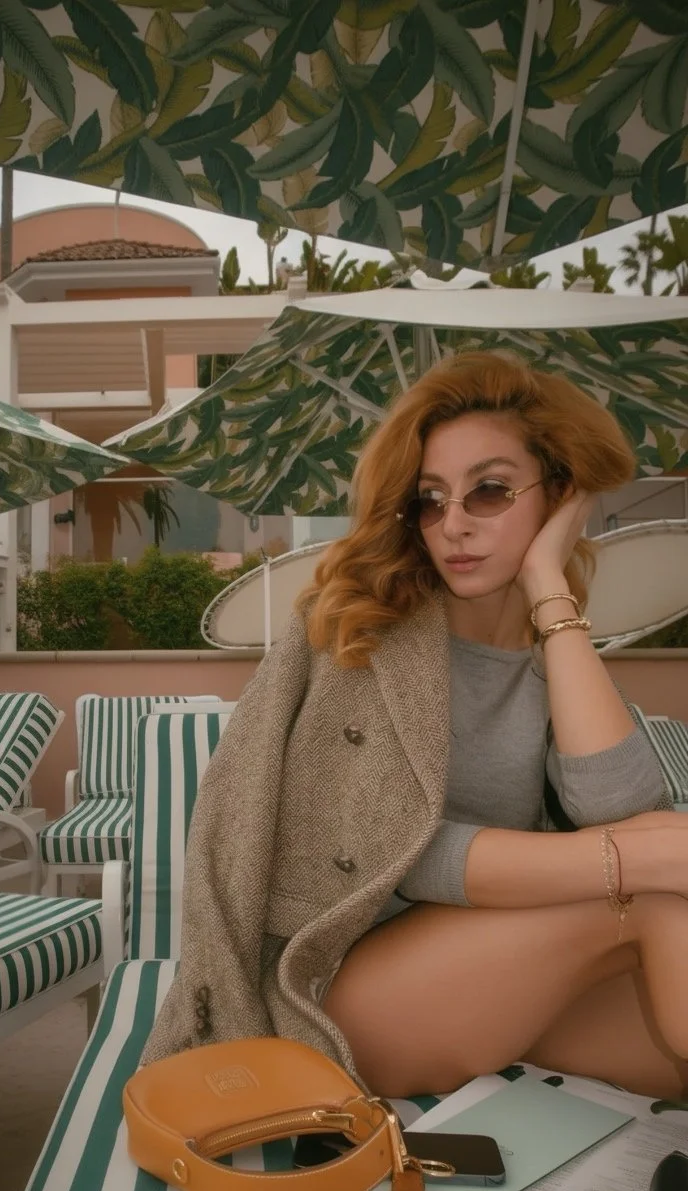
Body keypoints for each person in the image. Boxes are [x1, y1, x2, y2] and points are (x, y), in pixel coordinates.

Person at [142, 351, 688, 1101]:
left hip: (488, 975)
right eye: (431, 500)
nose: (453, 525)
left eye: (489, 491)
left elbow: (621, 807)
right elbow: (386, 844)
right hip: (343, 990)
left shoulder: (552, 659)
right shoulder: (361, 637)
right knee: (656, 892)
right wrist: (627, 861)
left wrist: (548, 589)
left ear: (560, 497)